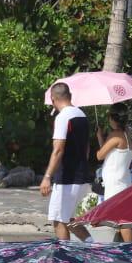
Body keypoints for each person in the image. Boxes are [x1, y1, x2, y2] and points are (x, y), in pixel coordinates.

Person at [39, 82, 93, 242]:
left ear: (53, 99)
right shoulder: (82, 115)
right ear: (69, 96)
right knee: (70, 220)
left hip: (67, 178)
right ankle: (92, 246)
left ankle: (65, 258)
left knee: (58, 220)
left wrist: (48, 176)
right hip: (81, 175)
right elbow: (87, 148)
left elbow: (58, 149)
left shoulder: (63, 117)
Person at [96, 108, 132, 243]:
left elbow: (100, 155)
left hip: (115, 183)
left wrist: (102, 137)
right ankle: (125, 249)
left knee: (122, 221)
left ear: (113, 119)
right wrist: (101, 138)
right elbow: (108, 153)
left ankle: (131, 251)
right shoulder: (128, 134)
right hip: (123, 180)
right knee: (119, 221)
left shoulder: (115, 135)